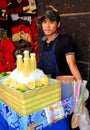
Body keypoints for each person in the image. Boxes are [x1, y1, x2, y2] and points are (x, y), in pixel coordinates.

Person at [37, 7, 82, 130]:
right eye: (44, 22)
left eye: (51, 22)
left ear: (58, 24)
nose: (47, 25)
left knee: (63, 125)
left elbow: (72, 65)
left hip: (62, 93)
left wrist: (80, 92)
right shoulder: (43, 43)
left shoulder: (65, 40)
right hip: (46, 93)